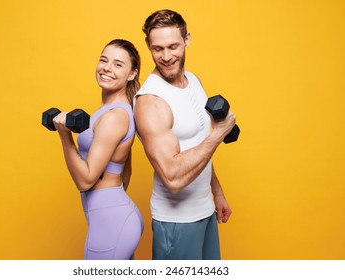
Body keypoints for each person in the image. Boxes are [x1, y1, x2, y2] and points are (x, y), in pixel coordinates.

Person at [133, 9, 236, 260]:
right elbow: (173, 179)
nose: (166, 57)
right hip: (177, 223)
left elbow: (198, 146)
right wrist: (219, 134)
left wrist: (217, 193)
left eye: (173, 46)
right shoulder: (151, 102)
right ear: (148, 46)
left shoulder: (193, 80)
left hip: (205, 211)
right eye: (158, 49)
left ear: (187, 39)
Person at [53, 39, 143, 260]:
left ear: (132, 74)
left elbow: (85, 181)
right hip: (112, 216)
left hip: (111, 221)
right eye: (103, 60)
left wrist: (65, 136)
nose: (107, 68)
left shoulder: (114, 117)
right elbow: (126, 172)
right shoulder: (112, 111)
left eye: (118, 64)